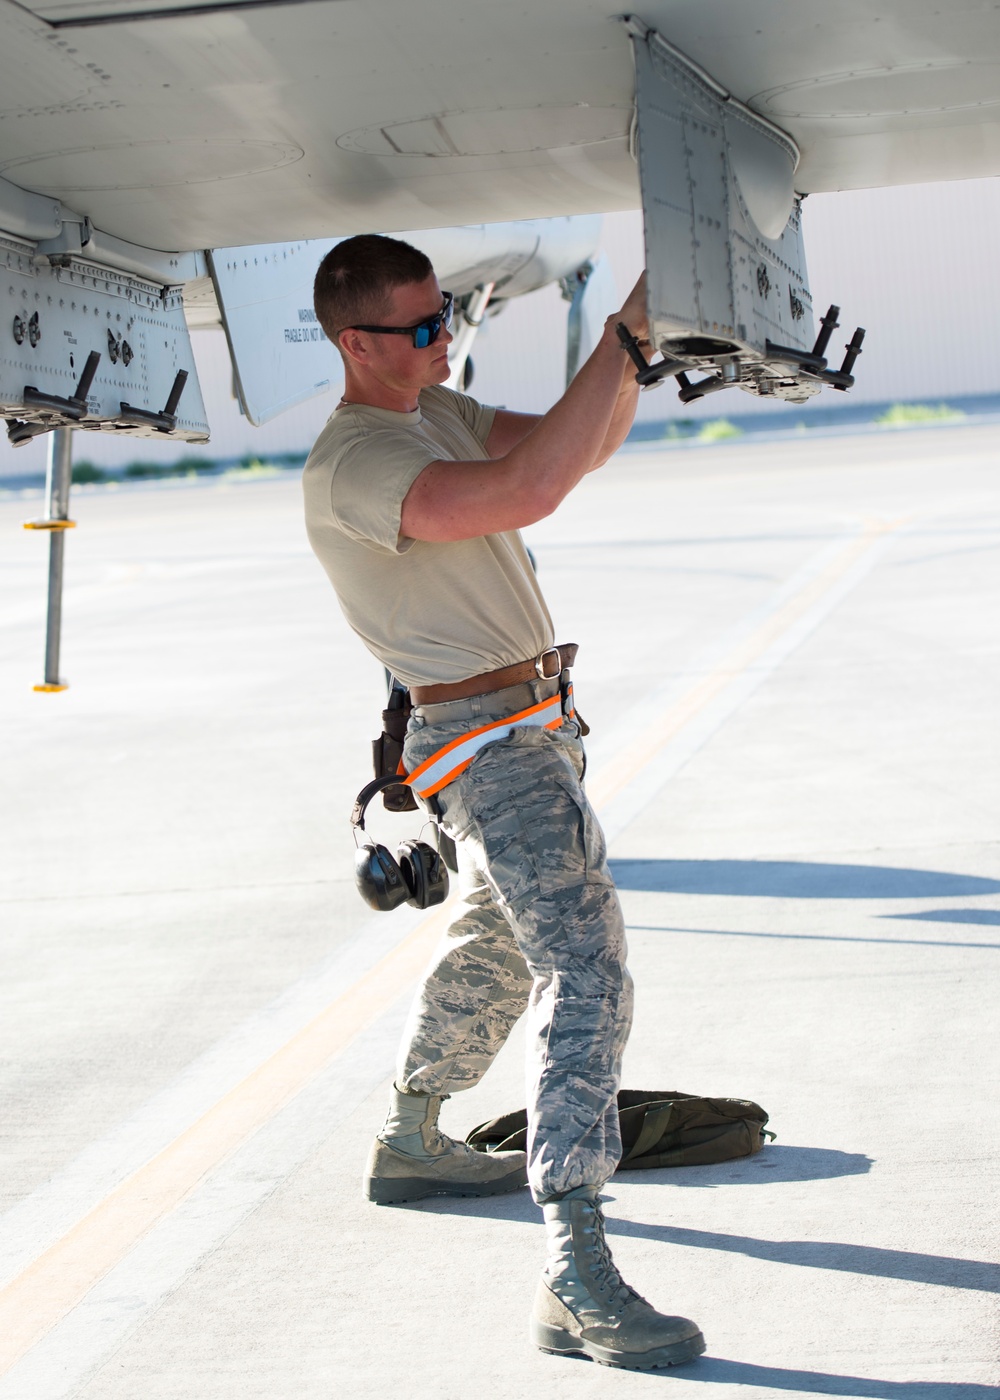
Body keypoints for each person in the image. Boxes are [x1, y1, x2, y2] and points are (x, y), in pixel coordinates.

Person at [302, 234, 704, 1371]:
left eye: (447, 318)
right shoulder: (354, 461)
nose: (446, 340)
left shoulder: (438, 413)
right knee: (585, 961)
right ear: (357, 342)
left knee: (500, 930)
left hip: (533, 725)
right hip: (484, 741)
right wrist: (625, 331)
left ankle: (413, 1134)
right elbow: (529, 490)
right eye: (425, 328)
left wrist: (643, 338)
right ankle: (574, 1268)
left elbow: (576, 454)